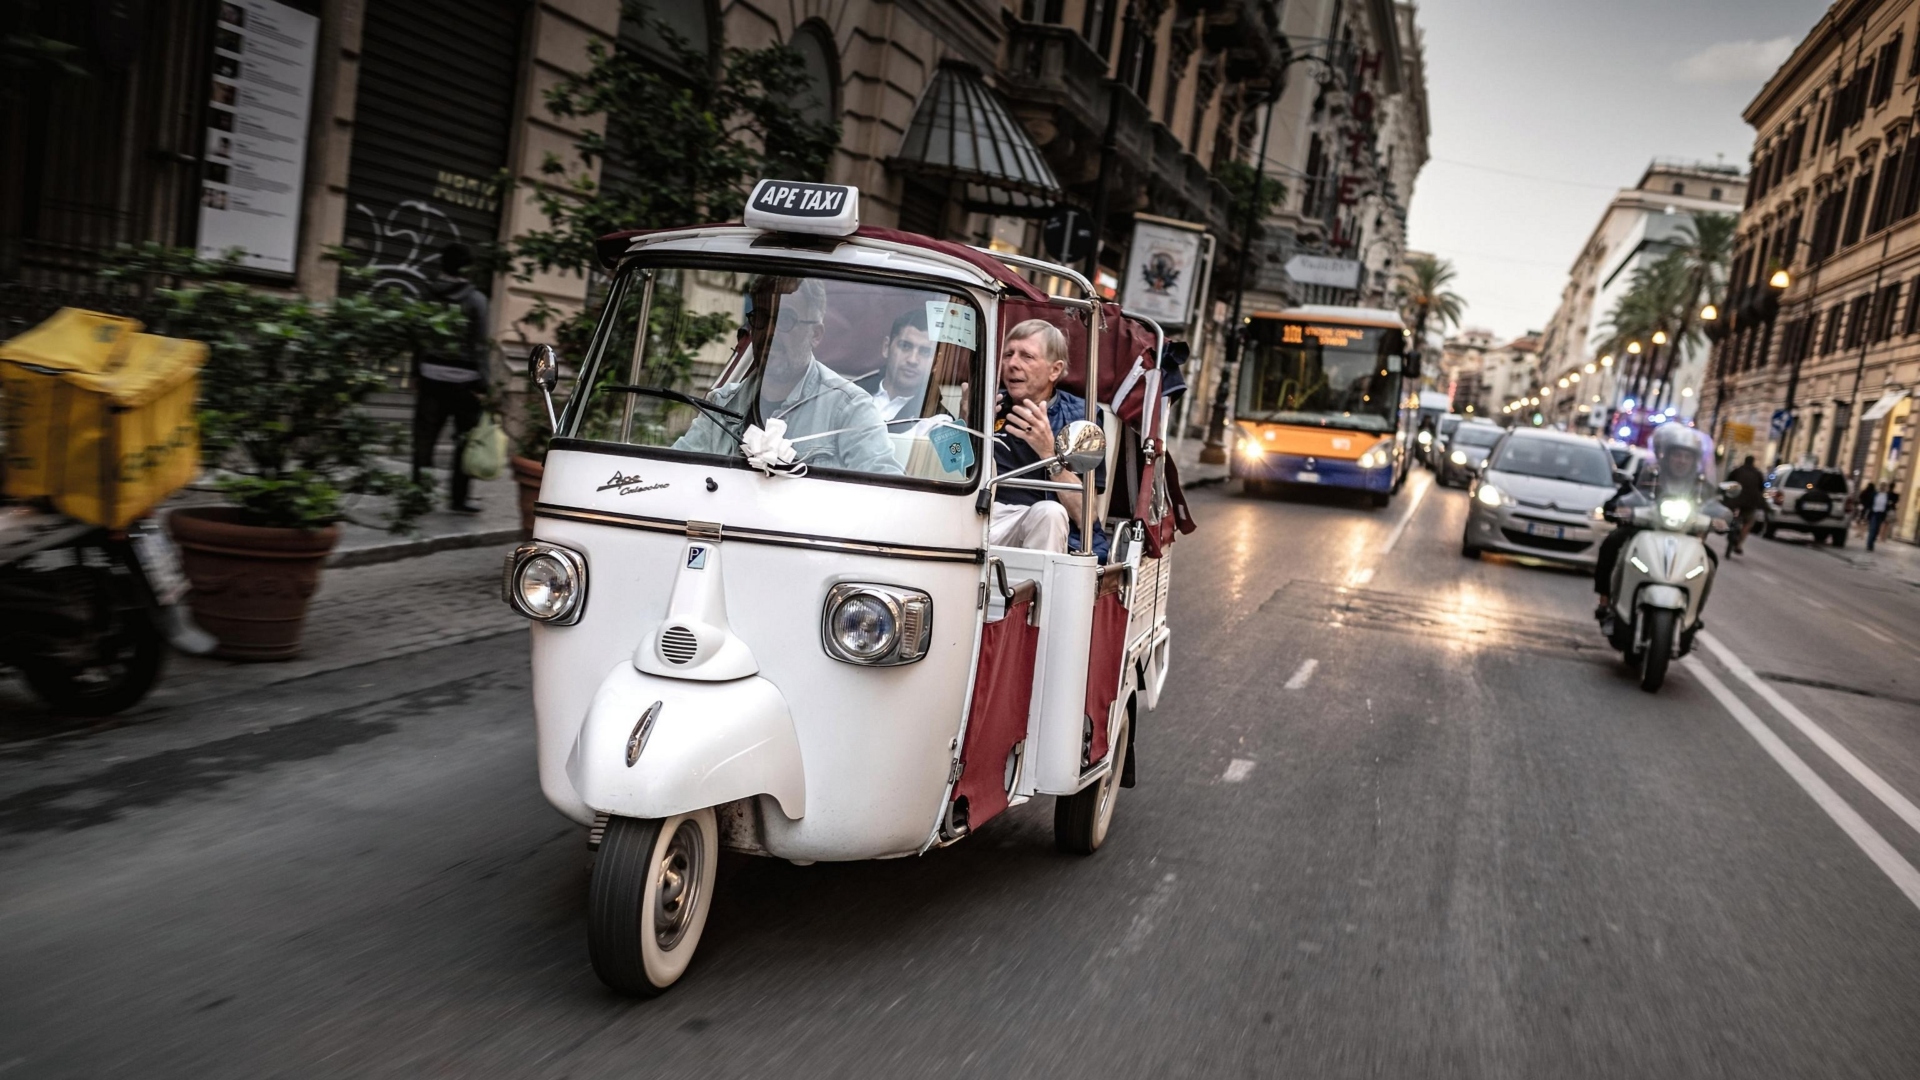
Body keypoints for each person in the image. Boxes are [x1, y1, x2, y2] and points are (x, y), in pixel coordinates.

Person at [674, 277, 900, 475]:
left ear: (816, 335)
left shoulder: (849, 409)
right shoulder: (722, 404)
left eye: (785, 319)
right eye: (763, 317)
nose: (770, 331)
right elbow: (675, 472)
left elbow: (890, 493)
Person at [988, 319, 1105, 556]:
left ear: (1055, 370)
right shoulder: (988, 403)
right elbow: (946, 469)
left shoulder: (1080, 418)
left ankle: (1037, 593)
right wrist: (965, 425)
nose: (1012, 364)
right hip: (981, 518)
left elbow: (1086, 516)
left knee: (1049, 513)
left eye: (1027, 356)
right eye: (1008, 354)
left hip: (1040, 523)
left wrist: (1049, 453)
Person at [1594, 425, 1717, 626]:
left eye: (1687, 456)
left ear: (1695, 460)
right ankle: (1606, 600)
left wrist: (1722, 518)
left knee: (1710, 561)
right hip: (1644, 529)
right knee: (1612, 542)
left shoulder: (1701, 485)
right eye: (1677, 455)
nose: (1681, 460)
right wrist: (1618, 508)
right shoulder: (1650, 474)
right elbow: (1624, 496)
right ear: (1666, 456)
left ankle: (1694, 613)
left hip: (1686, 535)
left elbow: (1715, 506)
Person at [413, 243, 490, 513]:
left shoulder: (427, 295)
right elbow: (480, 345)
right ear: (466, 268)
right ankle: (458, 499)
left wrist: (417, 371)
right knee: (463, 442)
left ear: (442, 264)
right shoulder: (477, 300)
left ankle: (418, 497)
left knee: (425, 439)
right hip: (466, 383)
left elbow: (419, 336)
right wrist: (485, 383)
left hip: (431, 376)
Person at [857, 310, 937, 425]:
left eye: (925, 352)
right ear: (886, 347)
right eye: (905, 346)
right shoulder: (849, 395)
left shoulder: (939, 421)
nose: (912, 360)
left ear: (936, 362)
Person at [1726, 454, 1766, 555]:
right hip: (1751, 502)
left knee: (1729, 514)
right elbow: (1762, 488)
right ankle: (1739, 544)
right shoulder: (1758, 473)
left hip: (1735, 499)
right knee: (1748, 522)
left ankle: (1729, 528)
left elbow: (1728, 482)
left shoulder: (1737, 471)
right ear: (1753, 462)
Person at [1866, 482, 1892, 550]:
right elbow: (1870, 502)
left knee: (1877, 530)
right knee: (1872, 528)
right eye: (1881, 486)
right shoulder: (1875, 494)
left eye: (1884, 486)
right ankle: (1869, 545)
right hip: (1874, 513)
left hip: (1881, 514)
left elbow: (1888, 505)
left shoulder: (1886, 496)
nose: (1882, 487)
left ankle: (1873, 540)